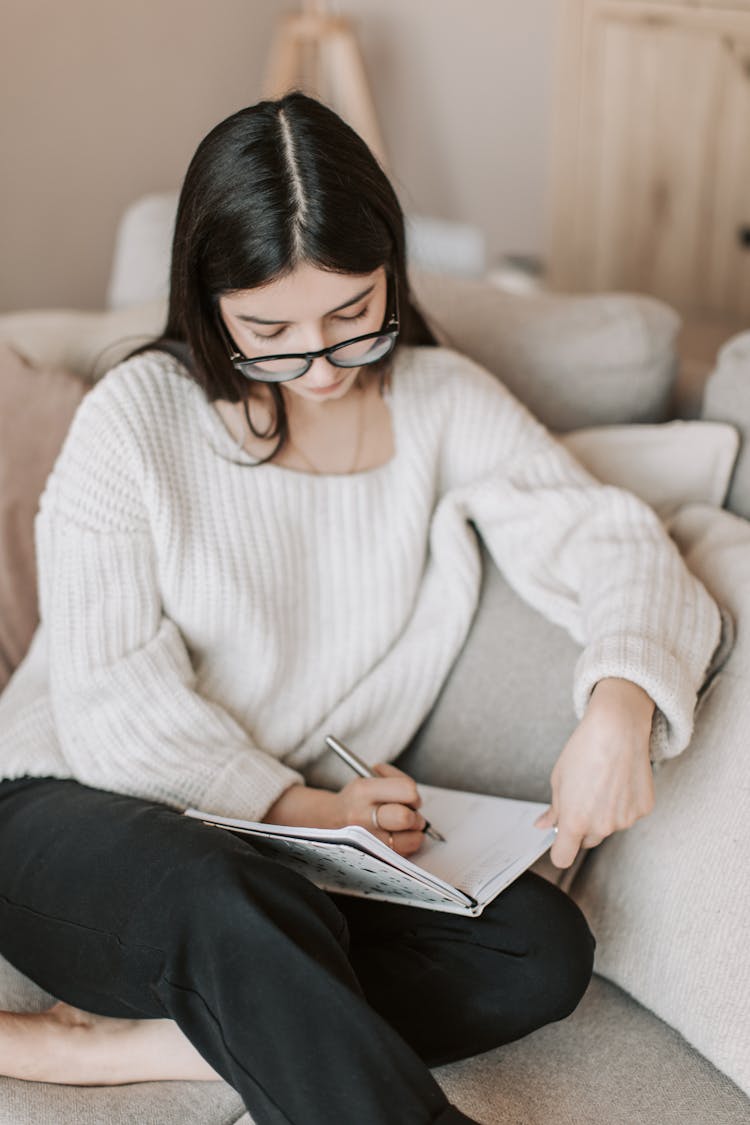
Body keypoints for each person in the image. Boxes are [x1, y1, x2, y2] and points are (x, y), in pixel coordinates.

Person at [0, 92, 721, 1125]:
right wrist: (309, 811)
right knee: (224, 890)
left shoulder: (443, 402)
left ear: (391, 270)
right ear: (208, 305)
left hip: (283, 857)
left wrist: (620, 706)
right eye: (271, 335)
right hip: (66, 810)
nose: (324, 367)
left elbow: (608, 537)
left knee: (539, 947)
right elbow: (111, 706)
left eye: (352, 316)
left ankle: (129, 1047)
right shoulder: (137, 421)